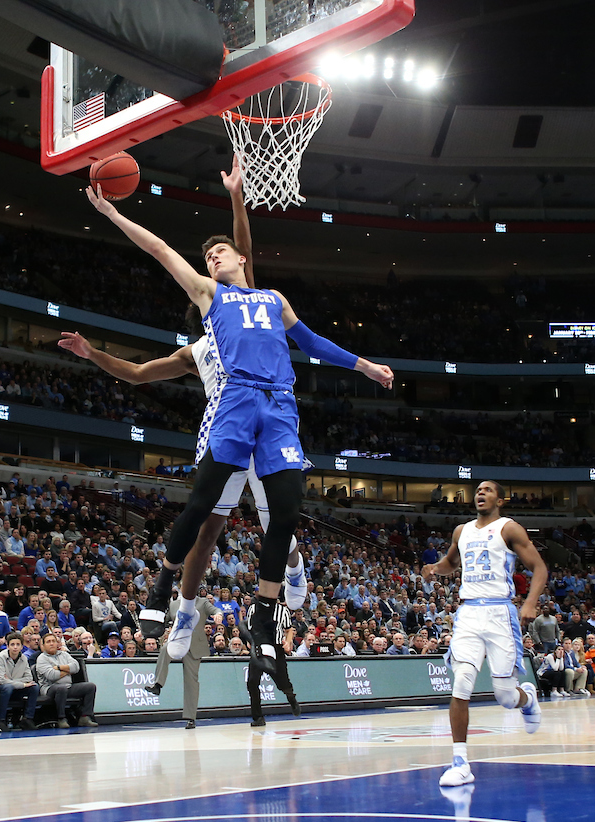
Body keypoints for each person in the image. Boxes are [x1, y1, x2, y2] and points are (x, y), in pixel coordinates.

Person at [84, 167, 393, 671]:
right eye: (207, 254)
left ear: (242, 258)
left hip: (279, 404)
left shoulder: (274, 300)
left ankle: (266, 625)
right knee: (204, 505)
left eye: (220, 251)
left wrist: (364, 366)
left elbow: (312, 343)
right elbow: (160, 250)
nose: (212, 256)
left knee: (287, 514)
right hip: (235, 400)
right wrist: (113, 212)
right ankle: (163, 590)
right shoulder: (209, 294)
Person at [423, 480, 549, 787]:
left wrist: (530, 603)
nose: (481, 493)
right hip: (468, 612)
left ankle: (526, 699)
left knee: (505, 696)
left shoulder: (509, 529)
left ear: (501, 500)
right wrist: (435, 569)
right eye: (478, 490)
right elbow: (451, 563)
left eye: (488, 490)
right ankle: (460, 761)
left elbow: (540, 568)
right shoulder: (461, 531)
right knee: (461, 681)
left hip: (499, 612)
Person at [146, 595, 219, 729]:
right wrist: (146, 631)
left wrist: (218, 615)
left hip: (194, 644)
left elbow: (215, 610)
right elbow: (162, 621)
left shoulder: (202, 602)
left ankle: (190, 717)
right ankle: (157, 684)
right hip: (177, 640)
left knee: (191, 681)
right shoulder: (174, 604)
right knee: (165, 649)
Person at [248, 602, 301, 727]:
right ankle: (258, 717)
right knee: (252, 682)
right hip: (258, 647)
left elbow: (289, 630)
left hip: (276, 648)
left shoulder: (282, 610)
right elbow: (250, 628)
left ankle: (291, 697)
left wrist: (288, 642)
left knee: (282, 683)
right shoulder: (253, 608)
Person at [34, 633, 98, 728]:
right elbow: (52, 675)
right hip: (49, 688)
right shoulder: (41, 659)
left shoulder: (64, 654)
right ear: (43, 645)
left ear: (57, 643)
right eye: (48, 642)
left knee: (90, 687)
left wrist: (59, 667)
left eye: (53, 641)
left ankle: (85, 717)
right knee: (61, 688)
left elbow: (76, 667)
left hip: (68, 686)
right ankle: (61, 718)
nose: (51, 644)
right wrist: (68, 671)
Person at [0, 632, 40, 731]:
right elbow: (2, 680)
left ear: (21, 646)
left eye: (17, 644)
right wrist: (22, 684)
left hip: (14, 687)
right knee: (8, 687)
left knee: (34, 686)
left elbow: (29, 678)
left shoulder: (24, 658)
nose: (15, 647)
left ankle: (27, 719)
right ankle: (0, 720)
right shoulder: (0, 658)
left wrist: (13, 681)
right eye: (12, 644)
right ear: (7, 646)